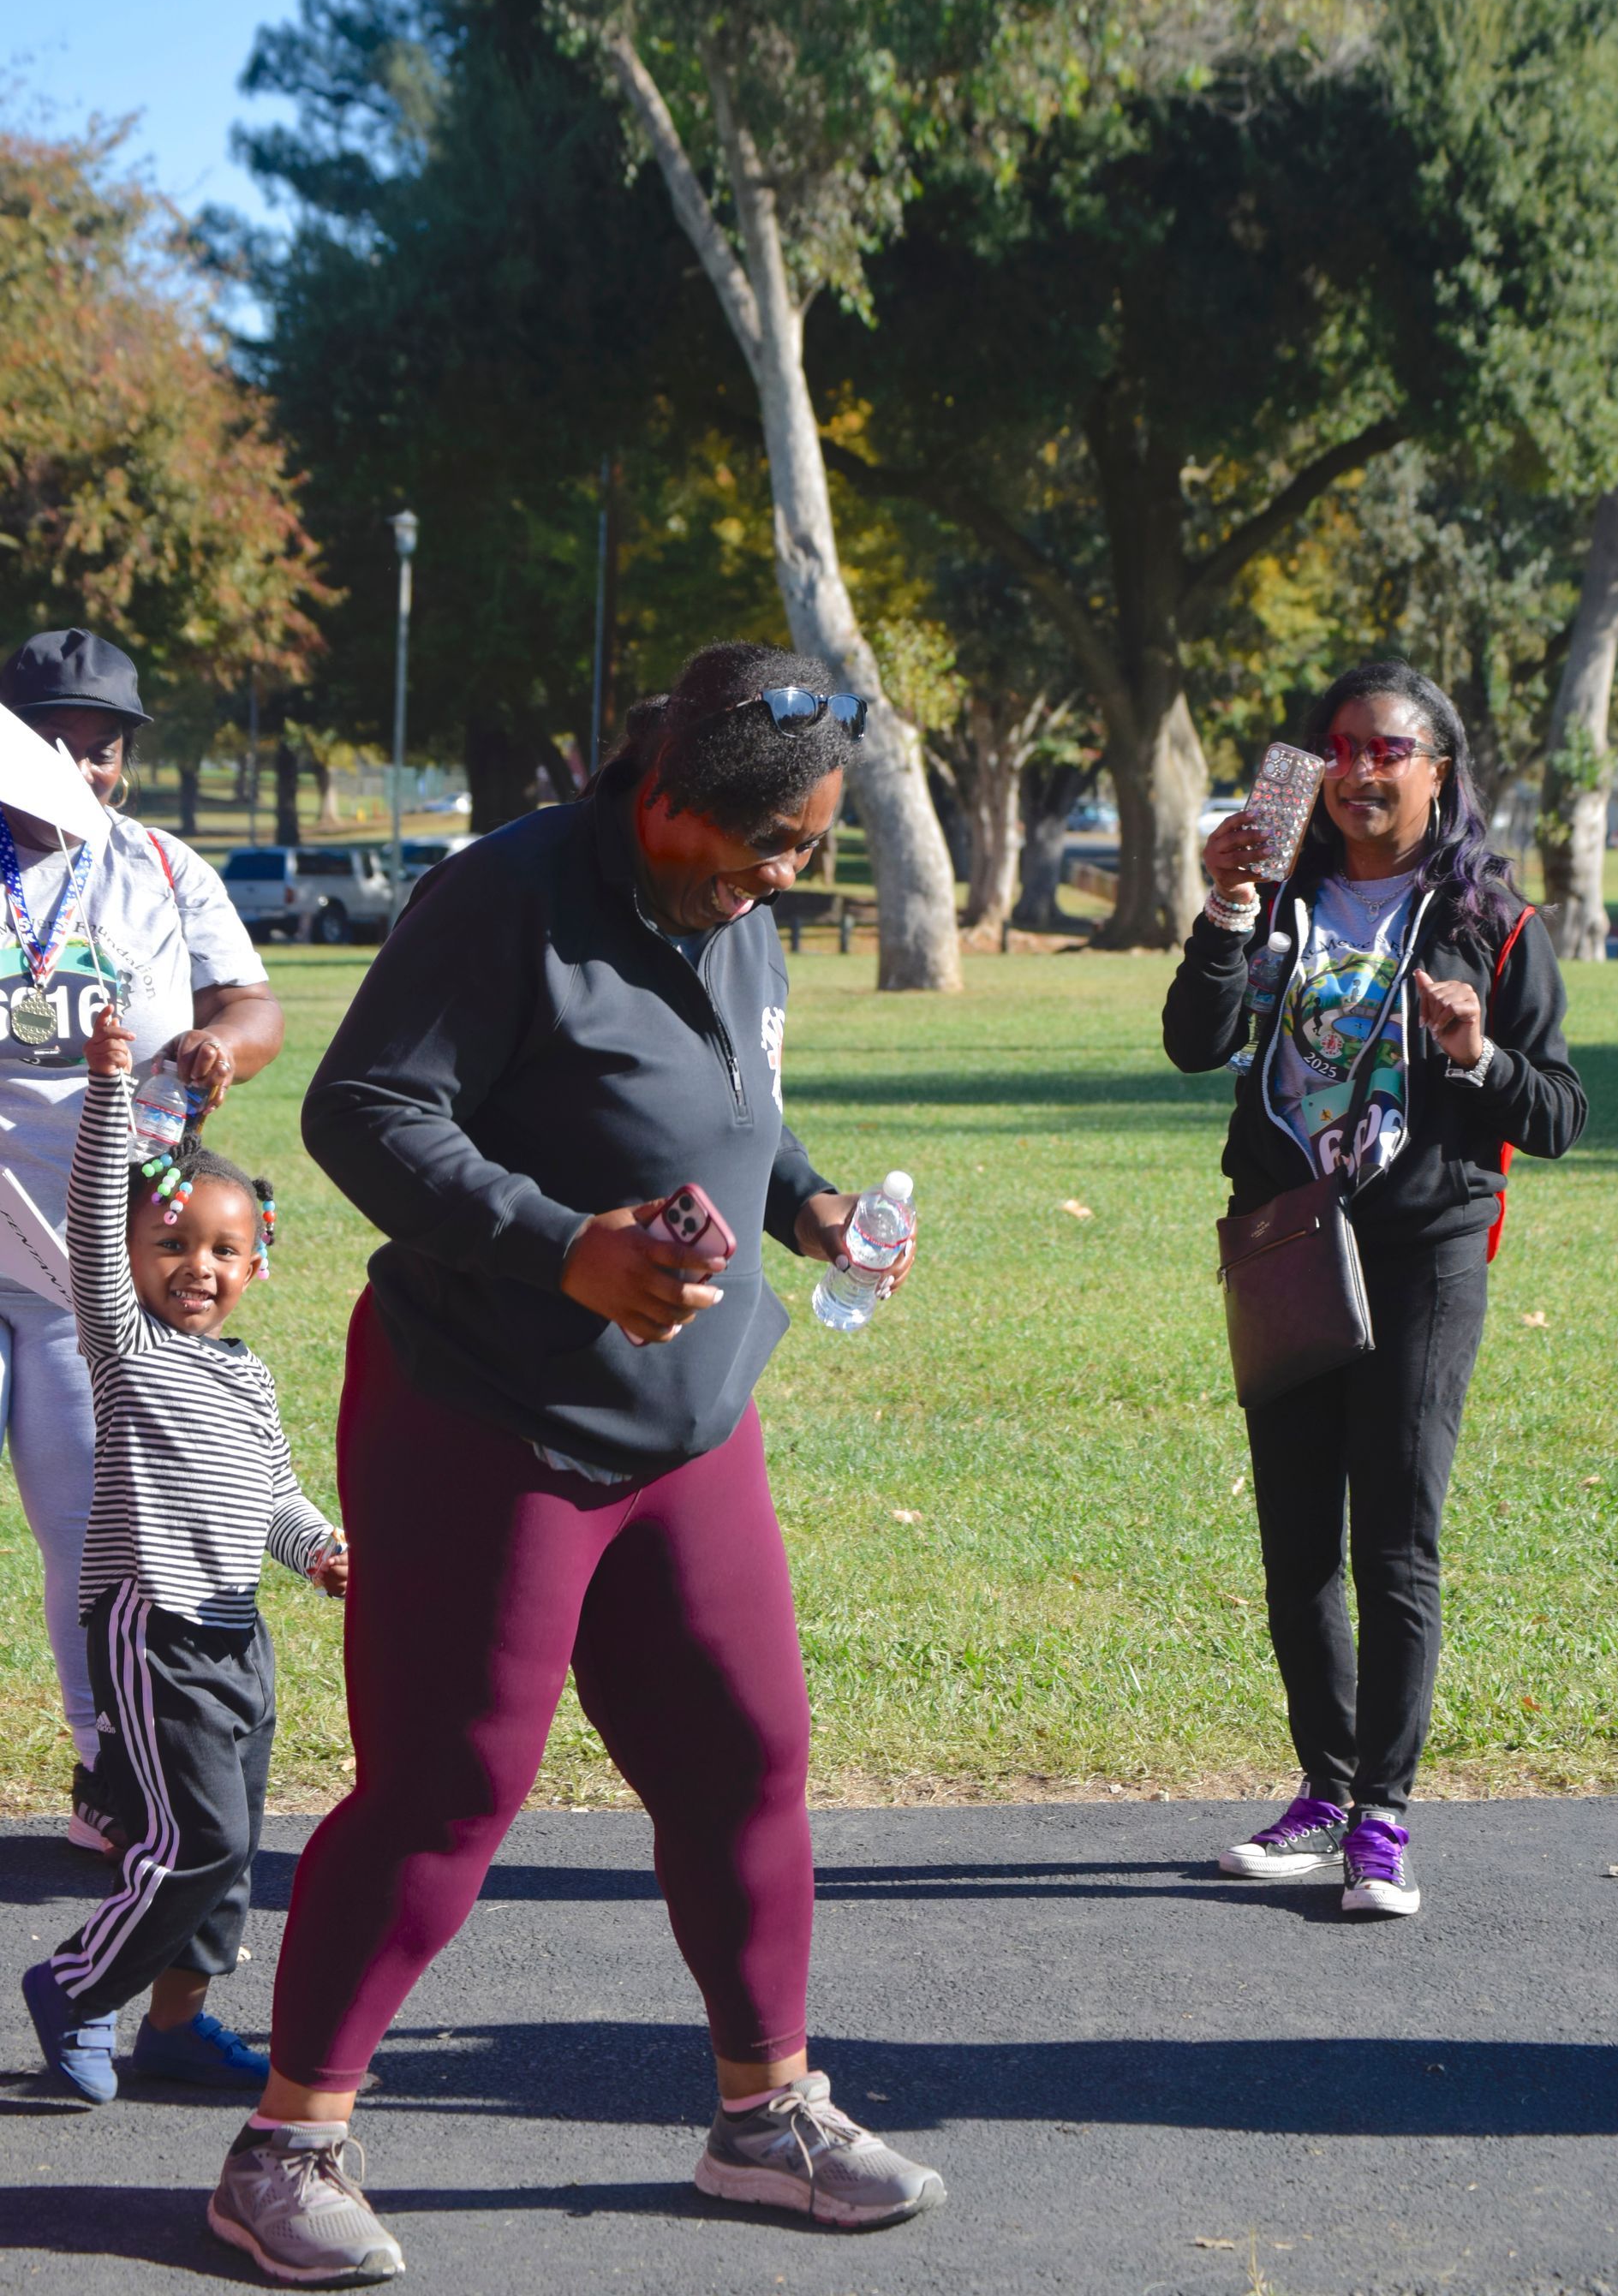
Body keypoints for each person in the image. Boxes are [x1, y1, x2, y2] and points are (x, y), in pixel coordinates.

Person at [206, 640, 946, 2286]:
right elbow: (362, 1112)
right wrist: (563, 1248)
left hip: (689, 1426)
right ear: (665, 800)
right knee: (446, 1791)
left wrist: (805, 1204)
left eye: (811, 846)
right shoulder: (504, 900)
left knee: (746, 1758)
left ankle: (764, 2118)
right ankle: (283, 2152)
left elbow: (732, 1100)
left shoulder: (731, 907)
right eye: (772, 846)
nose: (790, 876)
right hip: (487, 1420)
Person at [1162, 659, 1585, 1919]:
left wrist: (1479, 1052)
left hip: (1420, 1255)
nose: (1357, 770)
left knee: (1394, 1538)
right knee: (1297, 1542)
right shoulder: (1280, 897)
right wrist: (1227, 906)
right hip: (1288, 1242)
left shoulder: (1493, 921)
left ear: (1438, 772)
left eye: (1387, 750)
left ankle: (1384, 1819)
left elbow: (1559, 1113)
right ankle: (1326, 1791)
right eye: (1339, 747)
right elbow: (1194, 1043)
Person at [21, 1005, 345, 2104]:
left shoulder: (247, 1377)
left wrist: (319, 1551)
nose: (195, 1267)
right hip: (151, 1625)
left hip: (234, 1635)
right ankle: (76, 1987)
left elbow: (275, 1497)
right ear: (127, 1256)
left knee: (232, 1846)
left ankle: (175, 2026)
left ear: (257, 1263)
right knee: (191, 1840)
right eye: (169, 1245)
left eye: (221, 1251)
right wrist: (113, 1088)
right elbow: (93, 1200)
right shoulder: (124, 1342)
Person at [0, 628, 284, 1851]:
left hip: (98, 1276)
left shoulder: (161, 868)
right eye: (50, 743)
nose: (79, 768)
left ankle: (108, 1775)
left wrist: (223, 1048)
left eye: (101, 748)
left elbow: (251, 1002)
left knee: (100, 1537)